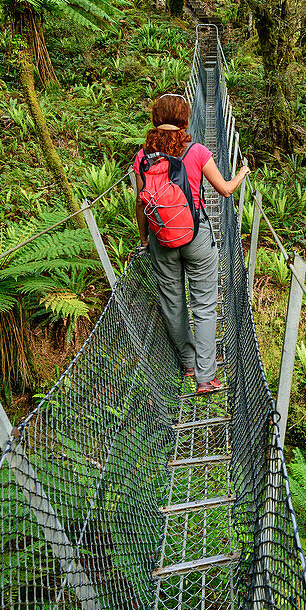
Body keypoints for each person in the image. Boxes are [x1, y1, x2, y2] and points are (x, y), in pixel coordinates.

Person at [133, 93, 249, 394]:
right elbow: (224, 190)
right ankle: (206, 377)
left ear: (156, 118)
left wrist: (145, 238)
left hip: (161, 239)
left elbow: (140, 201)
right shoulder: (196, 151)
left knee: (173, 303)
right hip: (196, 235)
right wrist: (241, 174)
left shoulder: (143, 155)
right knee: (205, 305)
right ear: (185, 118)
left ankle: (188, 362)